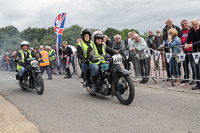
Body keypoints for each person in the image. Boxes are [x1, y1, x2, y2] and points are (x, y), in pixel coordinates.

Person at [184, 18, 200, 90]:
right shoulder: (191, 31)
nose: (196, 25)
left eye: (197, 24)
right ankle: (198, 84)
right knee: (196, 67)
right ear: (192, 25)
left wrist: (192, 45)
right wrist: (186, 44)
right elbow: (188, 39)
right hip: (195, 52)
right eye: (194, 24)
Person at [180, 20, 195, 85]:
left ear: (188, 24)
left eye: (185, 23)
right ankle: (186, 77)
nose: (184, 25)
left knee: (193, 65)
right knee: (184, 64)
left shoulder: (192, 30)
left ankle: (195, 78)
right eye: (182, 24)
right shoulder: (181, 31)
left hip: (192, 50)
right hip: (184, 51)